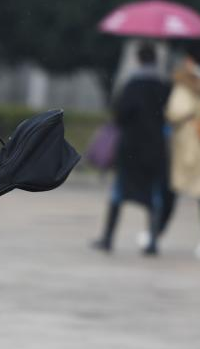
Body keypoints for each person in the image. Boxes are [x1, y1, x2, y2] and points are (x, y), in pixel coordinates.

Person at [93, 42, 171, 255]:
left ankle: (108, 238)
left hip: (131, 149)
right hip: (155, 149)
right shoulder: (164, 87)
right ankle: (152, 242)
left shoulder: (132, 86)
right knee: (154, 195)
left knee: (119, 192)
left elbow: (119, 115)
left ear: (138, 60)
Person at [165, 42, 200, 259]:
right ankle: (155, 234)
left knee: (172, 191)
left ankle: (154, 235)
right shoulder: (183, 82)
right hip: (187, 145)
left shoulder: (182, 84)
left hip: (188, 145)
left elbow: (173, 111)